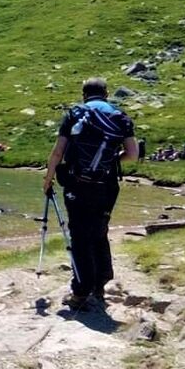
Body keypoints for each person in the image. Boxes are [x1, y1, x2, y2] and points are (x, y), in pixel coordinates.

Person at [43, 77, 137, 309]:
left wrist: (48, 179)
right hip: (107, 185)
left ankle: (80, 292)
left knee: (80, 235)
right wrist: (113, 161)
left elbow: (58, 152)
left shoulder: (75, 114)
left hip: (78, 183)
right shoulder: (120, 116)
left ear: (84, 93)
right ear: (106, 93)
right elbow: (133, 154)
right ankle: (100, 284)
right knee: (99, 230)